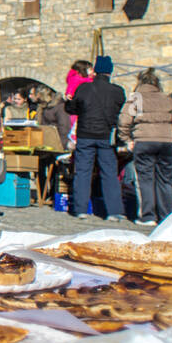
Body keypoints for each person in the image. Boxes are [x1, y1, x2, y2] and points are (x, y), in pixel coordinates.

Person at [117, 68, 172, 226]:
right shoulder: (166, 98)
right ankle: (166, 217)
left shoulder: (137, 98)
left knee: (145, 180)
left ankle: (147, 216)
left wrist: (127, 139)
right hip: (166, 142)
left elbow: (123, 120)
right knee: (165, 180)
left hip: (144, 141)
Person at [65, 55, 126, 220]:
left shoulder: (84, 89)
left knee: (83, 172)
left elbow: (72, 109)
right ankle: (114, 211)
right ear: (110, 72)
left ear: (96, 71)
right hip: (107, 136)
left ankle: (80, 209)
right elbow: (121, 108)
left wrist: (69, 102)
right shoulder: (117, 91)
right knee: (109, 173)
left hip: (85, 134)